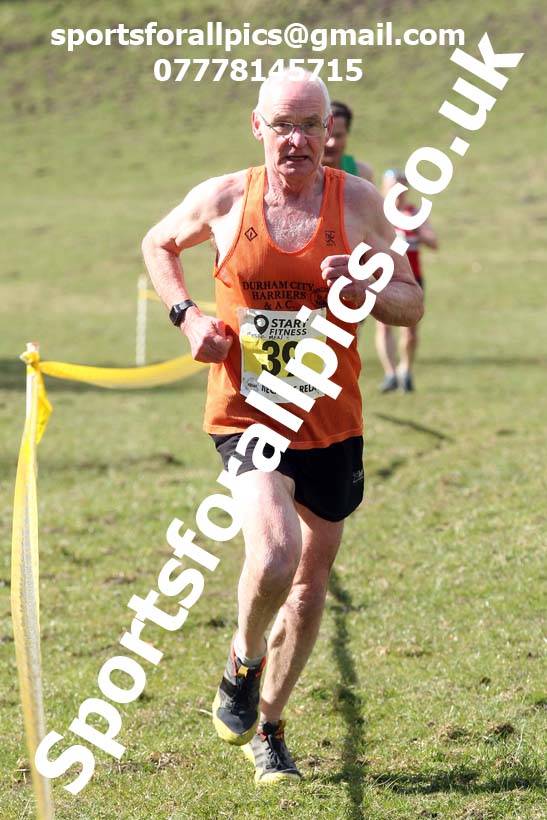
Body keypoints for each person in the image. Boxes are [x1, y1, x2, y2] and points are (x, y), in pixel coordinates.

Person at [141, 71, 423, 785]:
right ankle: (243, 659)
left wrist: (368, 290)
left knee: (307, 584)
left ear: (329, 131)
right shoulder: (223, 199)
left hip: (330, 419)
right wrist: (188, 317)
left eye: (310, 125)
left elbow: (411, 302)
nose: (296, 139)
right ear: (257, 126)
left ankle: (269, 727)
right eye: (282, 124)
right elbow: (158, 243)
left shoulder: (358, 203)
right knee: (273, 556)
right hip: (249, 412)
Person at [376, 169, 438, 392]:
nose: (398, 191)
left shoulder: (414, 214)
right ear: (384, 188)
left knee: (410, 330)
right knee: (383, 326)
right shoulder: (377, 214)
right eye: (394, 186)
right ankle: (390, 374)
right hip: (384, 277)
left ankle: (406, 370)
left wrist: (416, 232)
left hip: (413, 278)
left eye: (402, 187)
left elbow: (434, 242)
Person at [322, 100, 374, 182]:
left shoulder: (362, 174)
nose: (332, 143)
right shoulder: (303, 172)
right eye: (327, 136)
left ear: (347, 134)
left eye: (338, 136)